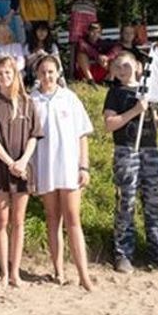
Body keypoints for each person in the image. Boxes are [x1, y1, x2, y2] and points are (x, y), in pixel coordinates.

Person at [104, 51, 158, 274]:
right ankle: (123, 254)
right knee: (126, 203)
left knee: (153, 204)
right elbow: (110, 123)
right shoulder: (115, 93)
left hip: (150, 151)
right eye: (117, 67)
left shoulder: (147, 92)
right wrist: (135, 110)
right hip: (127, 151)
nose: (122, 70)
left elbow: (154, 121)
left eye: (126, 65)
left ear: (138, 67)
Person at [30, 55, 94, 290]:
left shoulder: (70, 98)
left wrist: (83, 166)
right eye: (43, 72)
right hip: (45, 166)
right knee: (52, 219)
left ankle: (84, 275)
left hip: (69, 167)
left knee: (73, 219)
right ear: (37, 74)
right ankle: (58, 270)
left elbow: (82, 135)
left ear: (58, 73)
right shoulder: (32, 100)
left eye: (51, 72)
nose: (47, 76)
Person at [0, 55, 42, 287]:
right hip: (0, 167)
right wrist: (10, 163)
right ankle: (4, 273)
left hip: (23, 168)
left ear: (15, 73)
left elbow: (34, 137)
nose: (4, 77)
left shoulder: (28, 102)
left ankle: (15, 272)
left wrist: (23, 161)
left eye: (8, 72)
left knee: (18, 221)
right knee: (1, 220)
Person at [24, 20, 60, 87]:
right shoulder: (28, 46)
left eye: (44, 31)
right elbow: (26, 64)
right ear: (35, 32)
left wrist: (47, 56)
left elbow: (58, 61)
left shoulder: (52, 46)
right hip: (33, 72)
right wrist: (36, 55)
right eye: (39, 31)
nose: (42, 33)